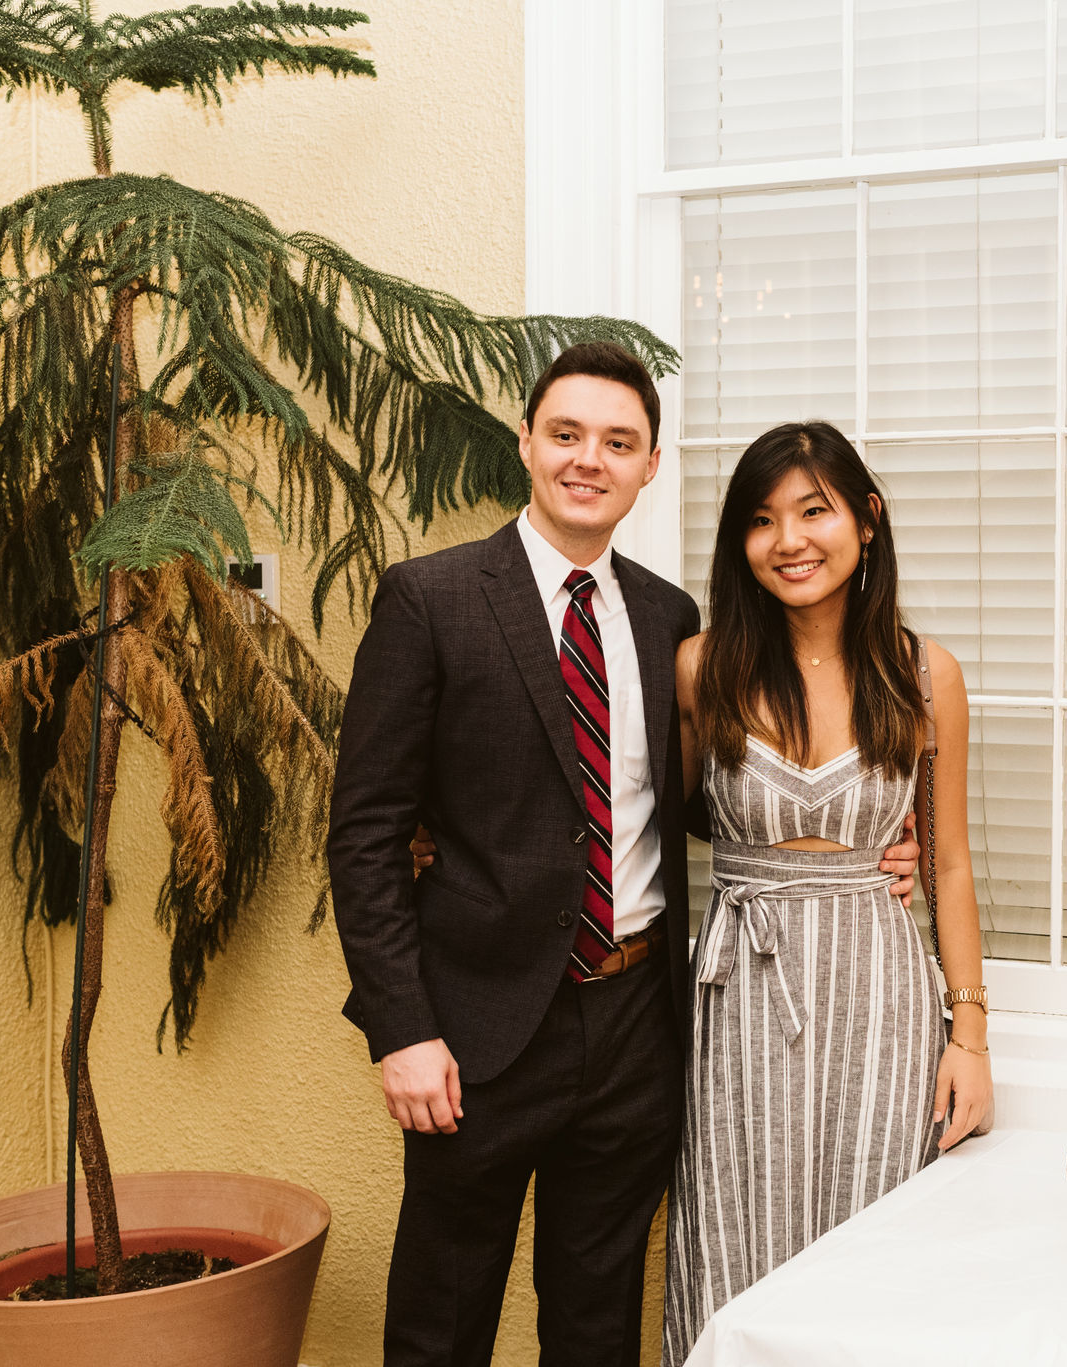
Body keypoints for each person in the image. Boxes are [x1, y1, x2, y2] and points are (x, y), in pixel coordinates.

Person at [330, 344, 919, 1366]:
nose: (586, 459)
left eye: (617, 441)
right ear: (526, 442)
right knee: (443, 1311)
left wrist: (857, 839)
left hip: (636, 1024)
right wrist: (403, 1026)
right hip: (475, 1030)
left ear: (650, 465)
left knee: (597, 1317)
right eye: (565, 434)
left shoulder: (669, 621)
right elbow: (364, 829)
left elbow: (682, 799)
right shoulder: (430, 598)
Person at [662, 422, 994, 1364]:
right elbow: (650, 820)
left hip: (882, 999)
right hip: (738, 1003)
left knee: (877, 1245)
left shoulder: (926, 674)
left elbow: (949, 863)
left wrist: (969, 1036)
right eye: (763, 520)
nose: (790, 540)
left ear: (868, 520)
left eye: (815, 510)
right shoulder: (702, 666)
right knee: (733, 1237)